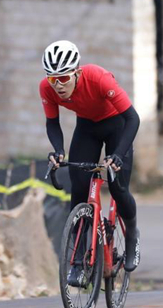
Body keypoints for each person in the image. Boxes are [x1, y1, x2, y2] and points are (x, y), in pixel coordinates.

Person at [40, 40, 141, 287]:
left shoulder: (98, 78)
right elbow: (53, 123)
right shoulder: (47, 88)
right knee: (79, 190)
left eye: (63, 78)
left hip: (117, 125)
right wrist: (59, 150)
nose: (58, 85)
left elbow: (132, 118)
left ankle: (132, 236)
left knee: (118, 189)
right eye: (53, 79)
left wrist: (118, 153)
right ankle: (77, 263)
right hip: (87, 128)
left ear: (76, 72)